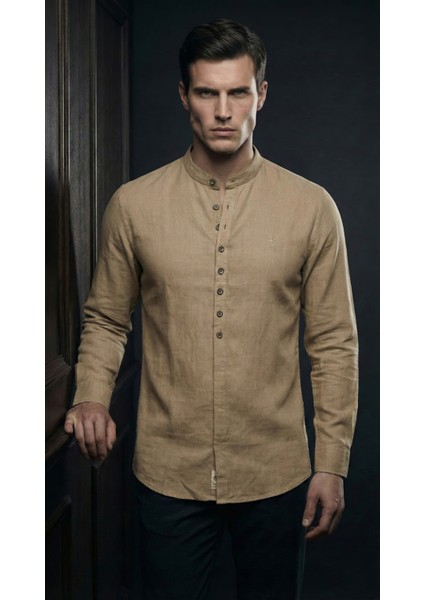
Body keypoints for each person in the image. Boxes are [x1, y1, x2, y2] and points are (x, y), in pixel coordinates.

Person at [64, 18, 358, 600]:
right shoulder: (133, 206)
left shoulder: (312, 208)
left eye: (238, 92)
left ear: (261, 94)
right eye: (206, 93)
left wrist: (332, 463)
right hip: (167, 471)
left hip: (276, 472)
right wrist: (91, 394)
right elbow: (106, 319)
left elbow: (333, 344)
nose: (223, 111)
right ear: (184, 96)